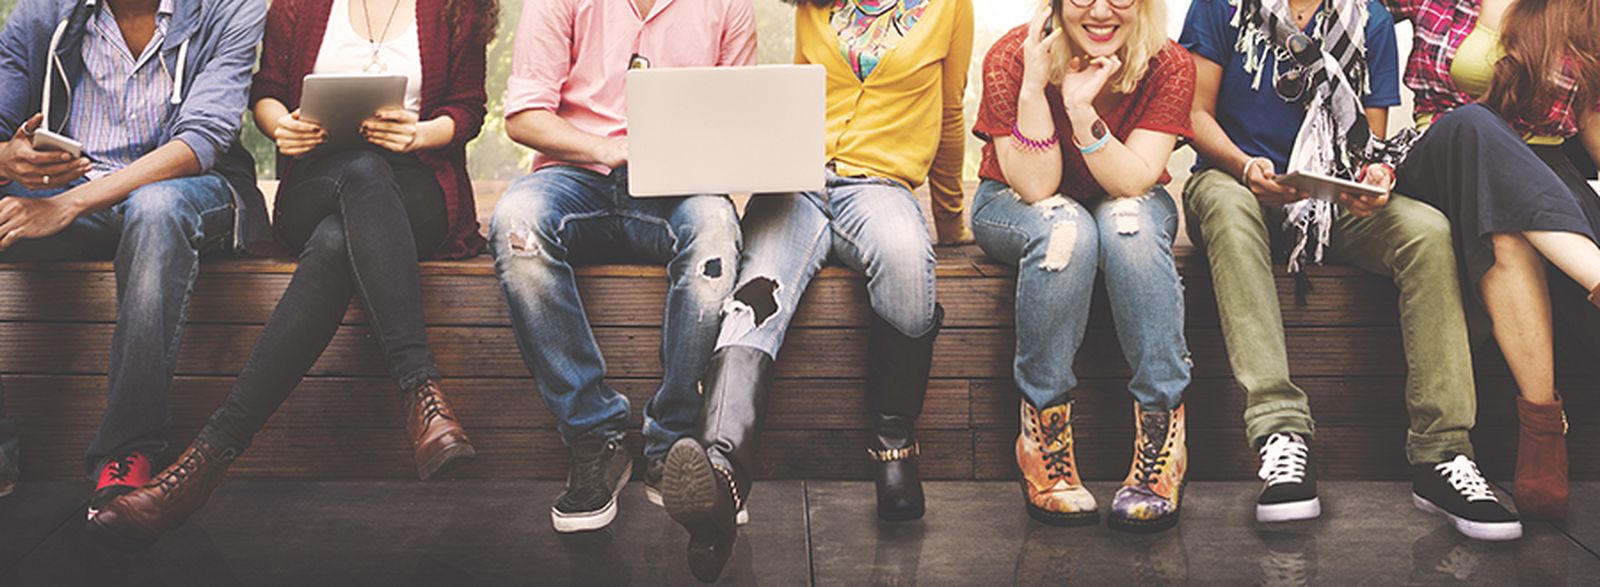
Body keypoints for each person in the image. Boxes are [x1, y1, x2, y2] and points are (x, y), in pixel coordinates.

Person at [86, 0, 495, 550]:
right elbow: (267, 92)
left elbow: (469, 108)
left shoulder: (455, 8)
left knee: (339, 234)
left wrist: (420, 134)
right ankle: (422, 392)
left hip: (414, 189)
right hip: (316, 181)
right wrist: (284, 127)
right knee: (354, 182)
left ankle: (201, 466)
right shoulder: (299, 3)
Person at [1180, 0, 1522, 540]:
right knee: (1226, 205)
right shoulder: (1220, 8)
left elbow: (1366, 143)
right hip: (1235, 182)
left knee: (1428, 231)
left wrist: (1373, 180)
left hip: (1326, 199)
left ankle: (1442, 452)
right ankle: (1280, 431)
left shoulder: (1372, 21)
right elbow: (1194, 113)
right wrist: (1245, 166)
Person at [658, 0, 972, 581]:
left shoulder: (950, 7)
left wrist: (950, 217)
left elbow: (950, 110)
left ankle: (894, 444)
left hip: (878, 185)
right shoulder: (814, 6)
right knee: (754, 296)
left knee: (907, 257)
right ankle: (720, 477)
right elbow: (794, 103)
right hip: (797, 186)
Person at [490, 0, 752, 535]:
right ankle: (595, 437)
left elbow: (739, 117)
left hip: (676, 184)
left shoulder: (730, 6)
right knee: (516, 222)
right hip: (574, 174)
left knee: (716, 231)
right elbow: (523, 116)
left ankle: (673, 440)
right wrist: (609, 149)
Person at [0, 0, 268, 518]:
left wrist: (67, 203)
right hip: (72, 191)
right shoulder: (44, 12)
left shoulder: (231, 7)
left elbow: (203, 138)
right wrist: (8, 159)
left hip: (190, 191)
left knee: (154, 207)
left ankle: (125, 453)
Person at [972, 0, 1195, 533]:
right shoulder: (1010, 56)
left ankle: (1163, 435)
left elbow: (1133, 179)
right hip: (1015, 202)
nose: (1100, 11)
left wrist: (1079, 111)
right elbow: (1035, 187)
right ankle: (1041, 434)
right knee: (1066, 228)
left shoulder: (1169, 64)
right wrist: (1034, 87)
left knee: (1129, 225)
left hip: (1124, 189)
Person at [1384, 0, 1600, 522]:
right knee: (1476, 124)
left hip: (1544, 175)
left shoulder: (1582, 9)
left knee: (1505, 230)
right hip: (1439, 156)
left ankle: (1543, 426)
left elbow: (1593, 118)